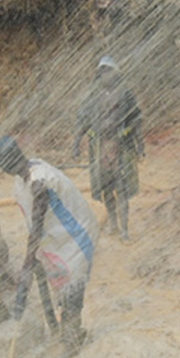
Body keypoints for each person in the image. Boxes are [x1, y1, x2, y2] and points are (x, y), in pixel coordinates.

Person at [0, 133, 99, 353]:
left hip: (75, 238)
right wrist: (32, 262)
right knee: (52, 280)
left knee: (71, 288)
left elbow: (37, 227)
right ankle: (58, 330)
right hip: (56, 238)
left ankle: (72, 341)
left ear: (7, 162)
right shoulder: (25, 174)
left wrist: (27, 266)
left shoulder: (39, 184)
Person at [74, 55, 143, 240]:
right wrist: (76, 144)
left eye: (109, 71)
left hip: (121, 148)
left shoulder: (125, 94)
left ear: (116, 73)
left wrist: (139, 144)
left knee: (122, 189)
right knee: (106, 189)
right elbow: (83, 120)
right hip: (99, 149)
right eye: (102, 72)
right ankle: (112, 221)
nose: (106, 76)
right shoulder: (92, 95)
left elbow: (136, 119)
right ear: (98, 75)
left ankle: (125, 230)